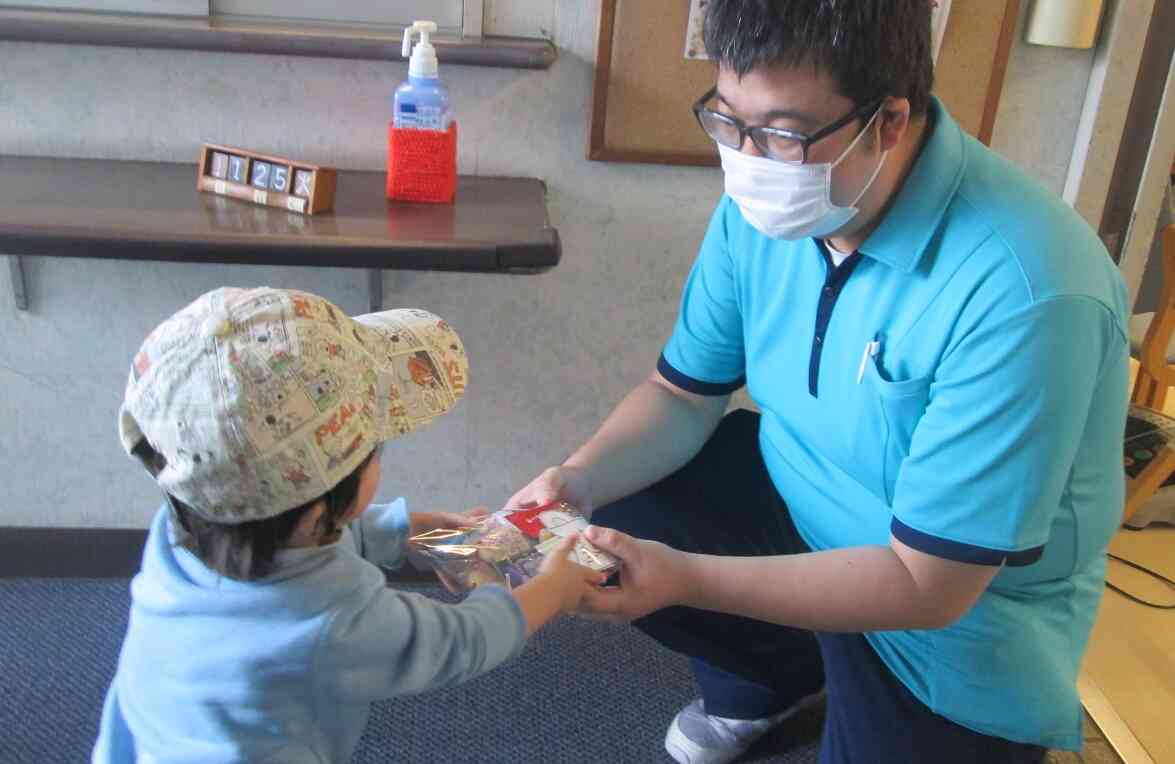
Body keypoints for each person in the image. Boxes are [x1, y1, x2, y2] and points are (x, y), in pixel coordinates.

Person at [506, 1, 1128, 762]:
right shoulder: (760, 211)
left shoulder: (1027, 288)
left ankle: (818, 667)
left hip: (951, 615)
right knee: (624, 502)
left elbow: (929, 587)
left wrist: (684, 578)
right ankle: (776, 678)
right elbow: (681, 395)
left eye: (782, 133)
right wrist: (577, 479)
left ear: (889, 120)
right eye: (728, 122)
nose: (748, 160)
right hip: (801, 498)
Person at [93, 287, 603, 764]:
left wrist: (415, 530)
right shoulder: (332, 621)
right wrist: (552, 589)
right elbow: (460, 642)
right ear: (322, 507)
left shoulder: (186, 522)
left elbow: (315, 536)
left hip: (146, 738)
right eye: (374, 449)